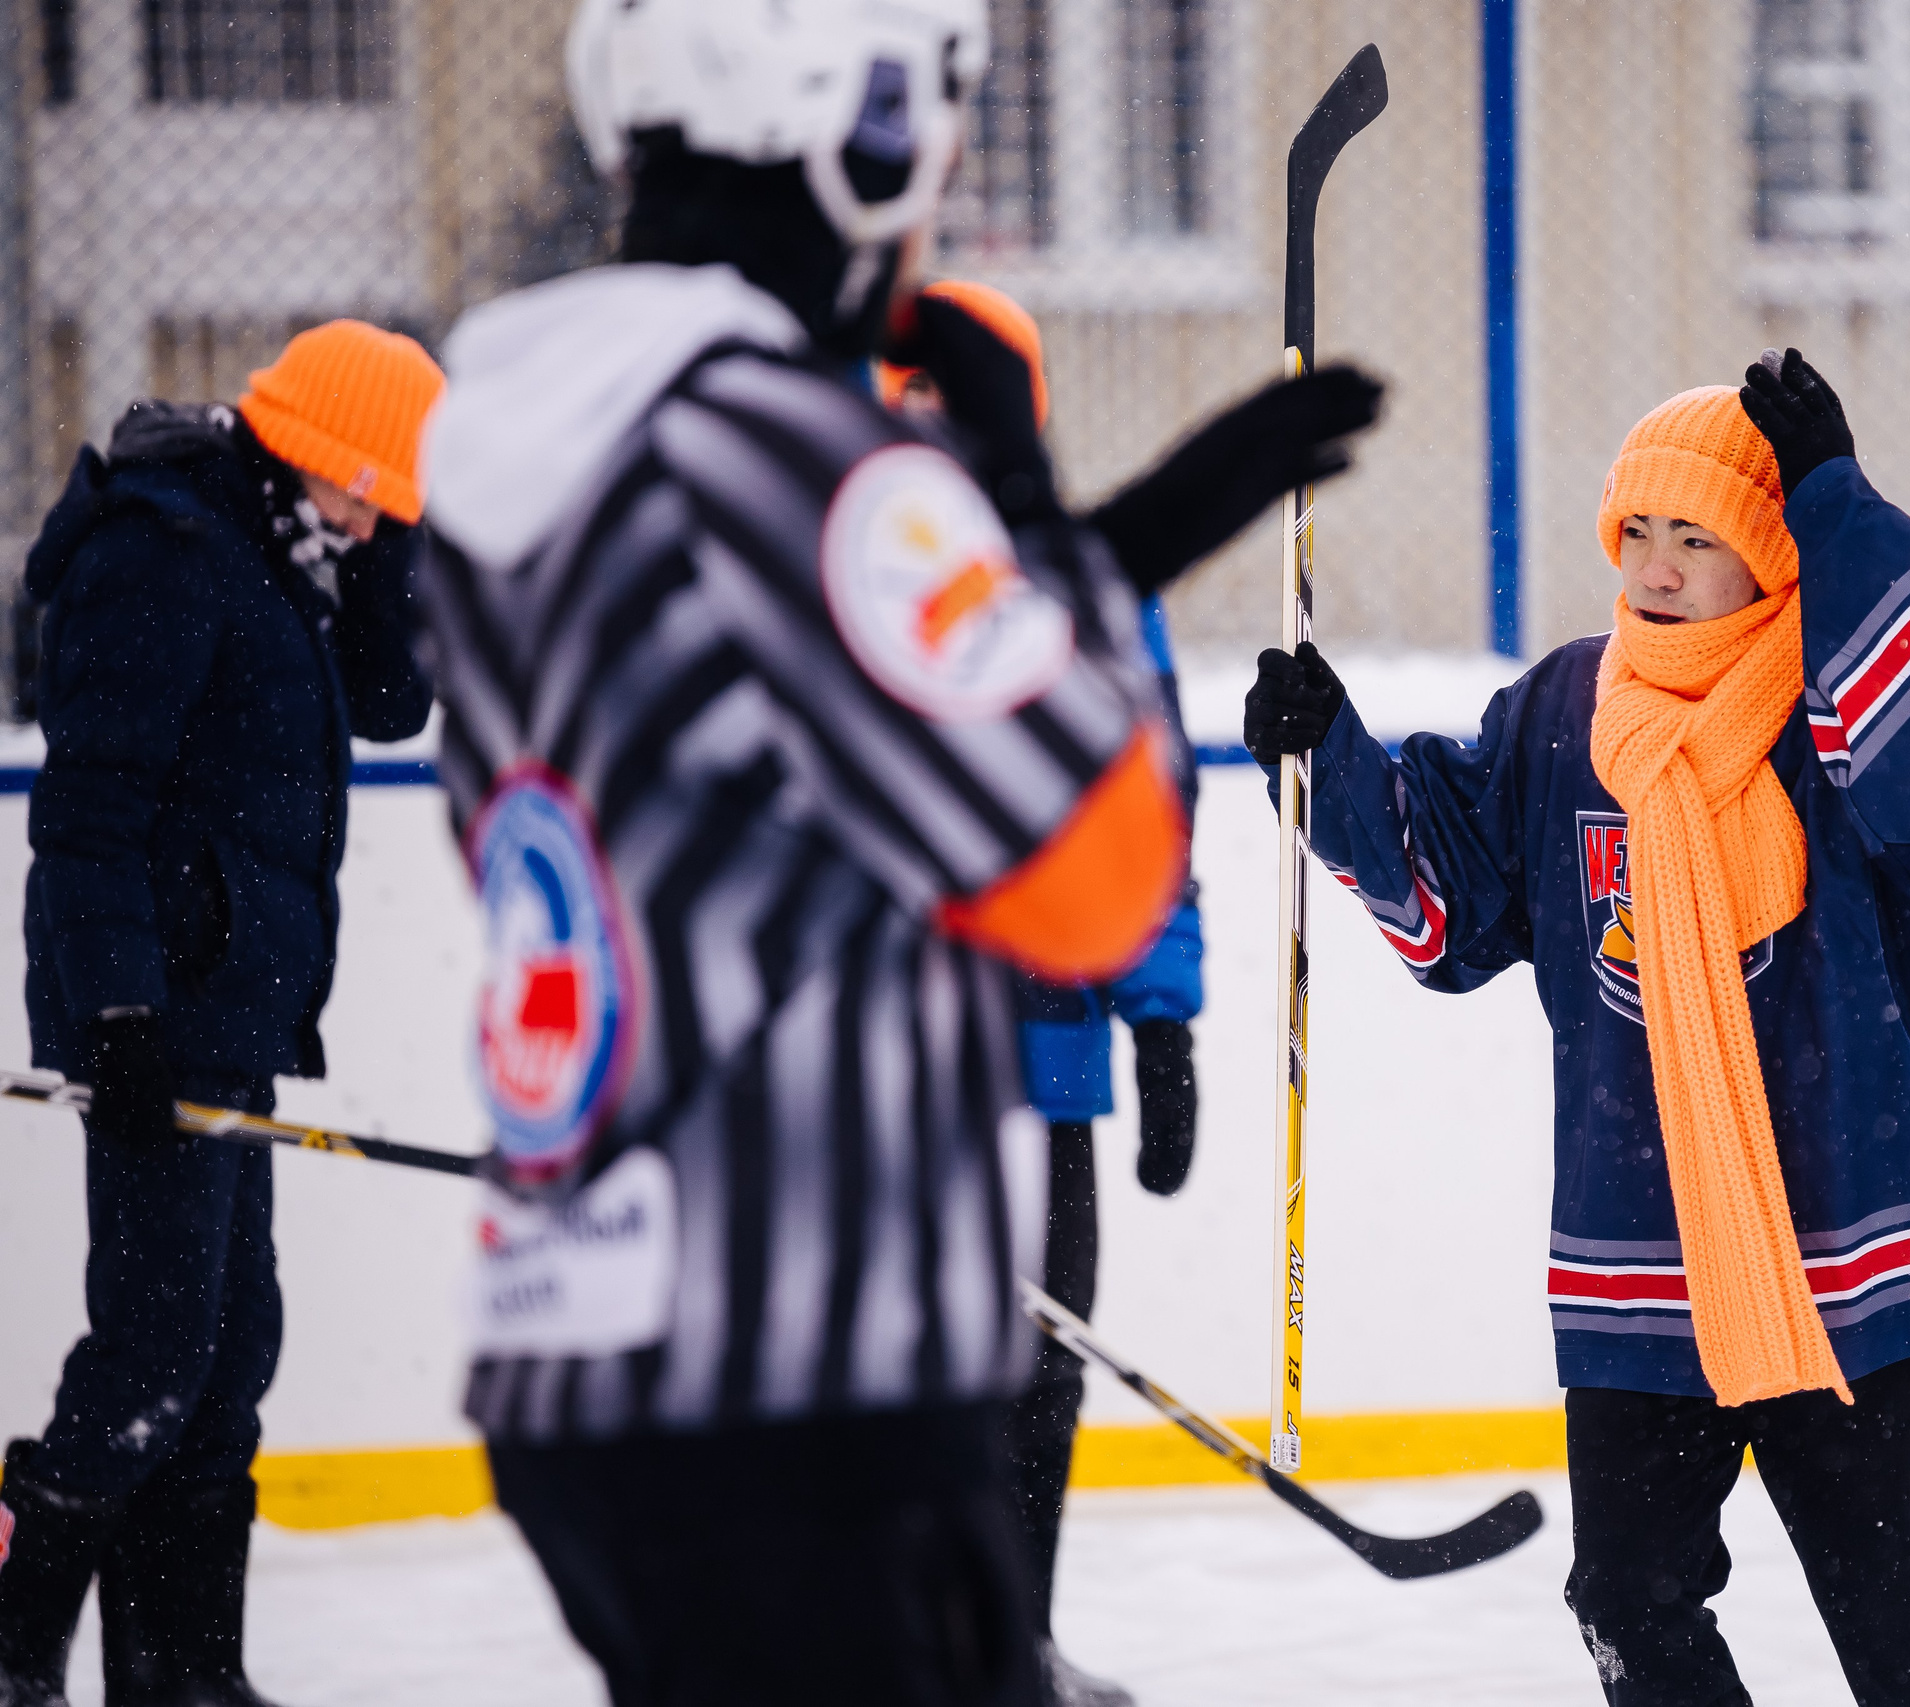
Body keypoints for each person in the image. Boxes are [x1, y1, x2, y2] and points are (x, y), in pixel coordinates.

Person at [414, 3, 1378, 1702]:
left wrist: (1092, 542)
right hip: (807, 1404)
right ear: (851, 153)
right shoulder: (783, 440)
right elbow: (1094, 874)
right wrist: (1032, 510)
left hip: (591, 1375)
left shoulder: (521, 450)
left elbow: (760, 789)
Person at [1244, 352, 1910, 1706]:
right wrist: (1330, 760)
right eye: (1643, 534)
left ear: (1774, 557)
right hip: (1640, 1259)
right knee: (1625, 1599)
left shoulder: (1840, 712)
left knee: (1891, 1614)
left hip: (1839, 1247)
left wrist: (1842, 505)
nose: (1660, 567)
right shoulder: (1566, 711)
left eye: (1704, 538)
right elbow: (1453, 898)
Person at [0, 320, 442, 1707]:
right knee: (156, 1344)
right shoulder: (171, 546)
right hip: (153, 1013)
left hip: (229, 1006)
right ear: (327, 453)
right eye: (373, 487)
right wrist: (119, 1011)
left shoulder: (292, 550)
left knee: (228, 1344)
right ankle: (17, 1652)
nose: (375, 513)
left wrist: (392, 552)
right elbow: (88, 814)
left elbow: (390, 705)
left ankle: (186, 1673)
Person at [889, 281, 1205, 1707]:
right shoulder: (809, 574)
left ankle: (1008, 1645)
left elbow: (1135, 811)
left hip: (1045, 1066)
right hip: (874, 1084)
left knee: (1037, 1370)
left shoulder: (1082, 584)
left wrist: (1163, 1018)